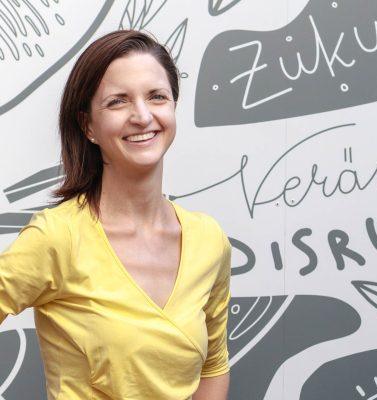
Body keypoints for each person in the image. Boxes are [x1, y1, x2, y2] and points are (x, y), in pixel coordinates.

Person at [0, 30, 232, 399]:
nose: (142, 116)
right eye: (118, 102)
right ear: (88, 126)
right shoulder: (57, 236)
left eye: (156, 96)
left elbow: (214, 365)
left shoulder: (208, 239)